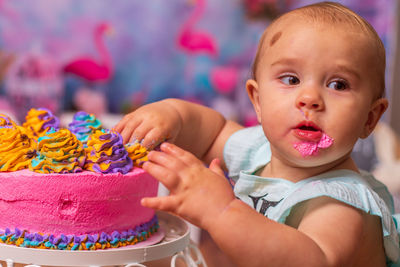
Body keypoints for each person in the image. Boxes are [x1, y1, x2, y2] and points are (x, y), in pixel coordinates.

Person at [115, 2, 399, 266]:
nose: (310, 98)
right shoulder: (257, 150)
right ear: (258, 101)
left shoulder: (340, 202)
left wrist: (221, 211)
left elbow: (312, 259)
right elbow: (212, 133)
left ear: (370, 119)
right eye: (291, 79)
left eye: (338, 85)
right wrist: (172, 115)